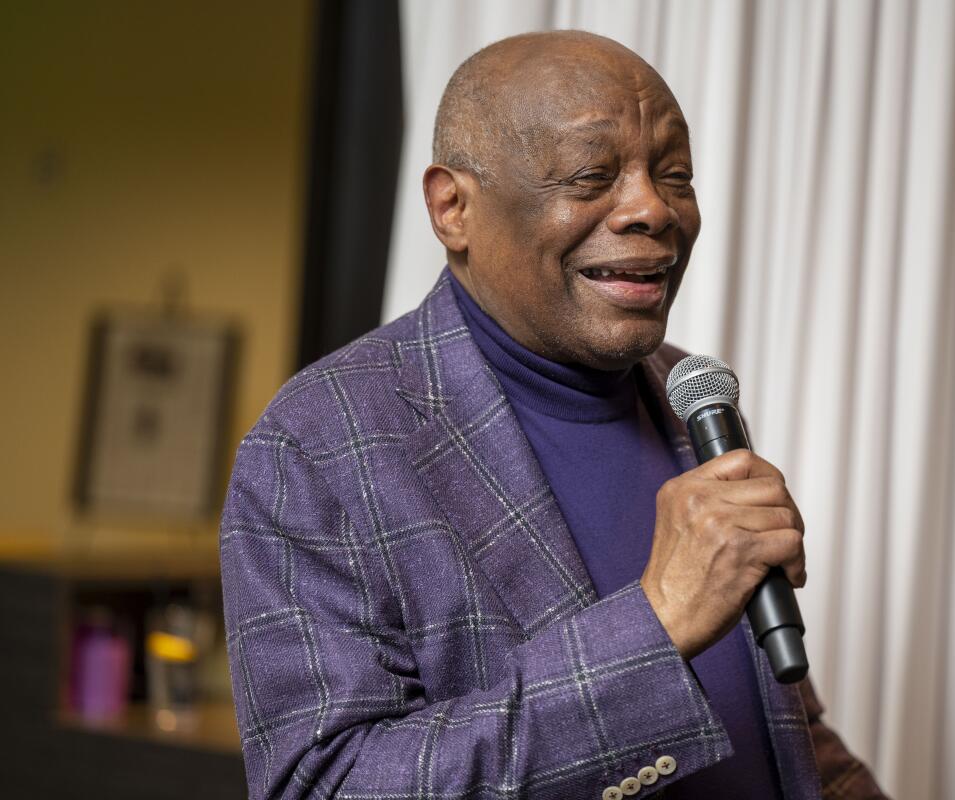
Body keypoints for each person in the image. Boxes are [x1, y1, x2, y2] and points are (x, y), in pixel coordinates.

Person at [220, 30, 886, 800]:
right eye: (590, 175)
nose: (652, 209)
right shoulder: (315, 445)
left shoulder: (688, 396)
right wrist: (655, 624)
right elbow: (326, 788)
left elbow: (782, 728)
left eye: (675, 175)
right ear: (452, 208)